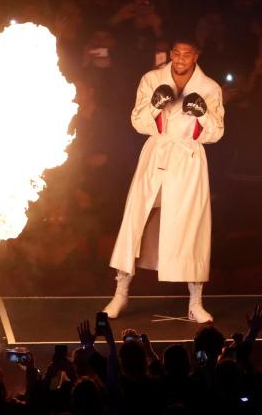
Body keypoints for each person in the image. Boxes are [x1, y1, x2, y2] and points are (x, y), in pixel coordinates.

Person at [104, 37, 225, 323]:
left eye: (187, 54)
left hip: (187, 161)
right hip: (156, 156)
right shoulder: (151, 79)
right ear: (171, 54)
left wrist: (204, 114)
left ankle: (195, 303)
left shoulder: (209, 88)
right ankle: (120, 294)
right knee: (135, 222)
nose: (181, 59)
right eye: (177, 53)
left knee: (191, 229)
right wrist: (156, 106)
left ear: (196, 56)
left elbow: (216, 132)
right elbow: (138, 122)